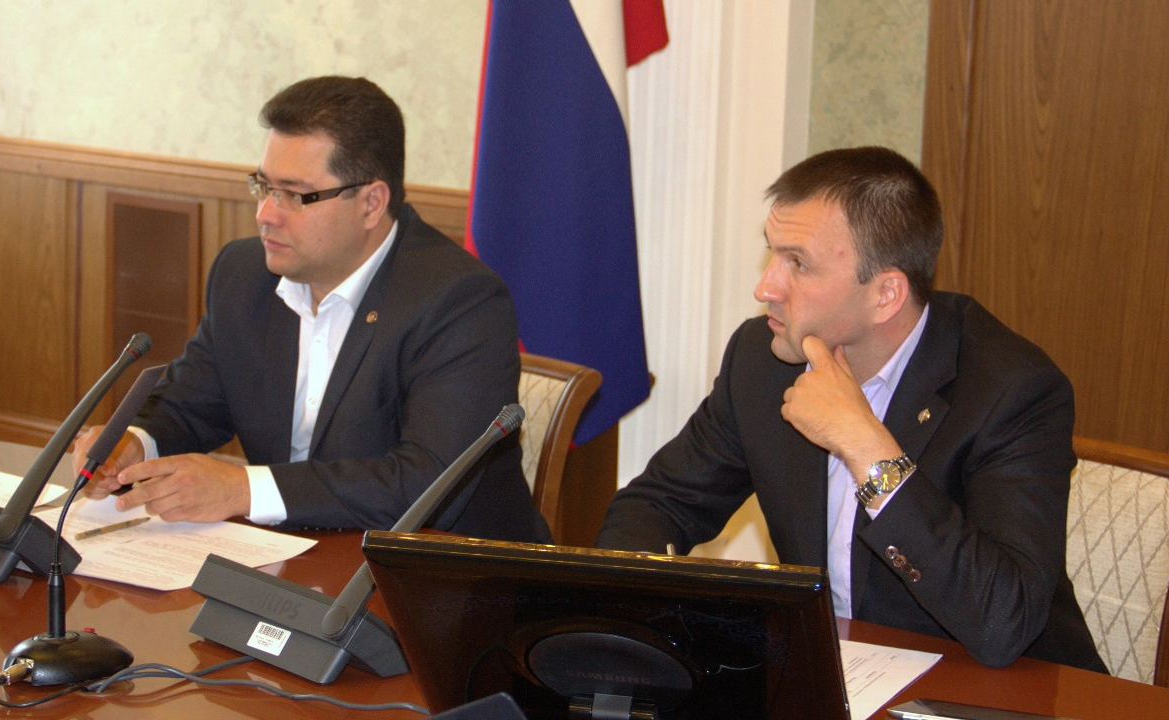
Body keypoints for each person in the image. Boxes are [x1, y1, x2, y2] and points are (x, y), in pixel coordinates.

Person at [596, 147, 1105, 671]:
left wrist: (866, 446)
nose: (765, 287)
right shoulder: (764, 361)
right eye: (772, 254)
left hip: (997, 689)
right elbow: (659, 504)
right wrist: (628, 624)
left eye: (798, 264)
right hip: (837, 678)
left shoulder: (1011, 391)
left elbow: (1004, 621)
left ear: (886, 295)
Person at [73, 76, 549, 543]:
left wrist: (242, 489)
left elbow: (427, 483)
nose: (265, 214)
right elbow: (191, 403)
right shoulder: (244, 275)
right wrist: (134, 443)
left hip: (441, 575)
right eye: (263, 186)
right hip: (294, 558)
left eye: (295, 195)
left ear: (371, 203)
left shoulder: (460, 303)